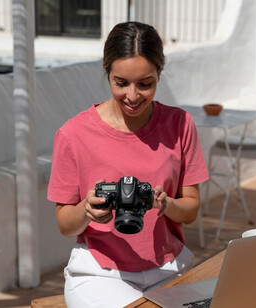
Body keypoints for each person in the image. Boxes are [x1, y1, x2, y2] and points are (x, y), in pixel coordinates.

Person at [47, 21, 209, 307]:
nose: (132, 96)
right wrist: (87, 210)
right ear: (106, 71)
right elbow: (65, 225)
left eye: (146, 84)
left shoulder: (180, 124)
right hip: (100, 274)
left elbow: (191, 209)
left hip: (169, 269)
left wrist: (166, 205)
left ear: (160, 74)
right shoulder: (73, 134)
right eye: (120, 83)